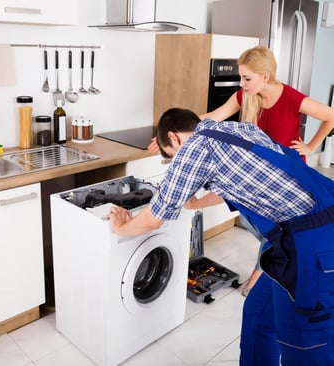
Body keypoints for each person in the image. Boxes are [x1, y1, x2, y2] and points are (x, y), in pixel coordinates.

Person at [110, 107, 334, 365]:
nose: (177, 162)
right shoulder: (234, 129)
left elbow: (154, 217)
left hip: (315, 248)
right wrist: (195, 203)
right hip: (301, 238)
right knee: (258, 316)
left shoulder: (193, 148)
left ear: (173, 138)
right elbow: (241, 181)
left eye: (172, 156)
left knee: (305, 343)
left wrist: (121, 228)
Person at [148, 45, 334, 295]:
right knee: (264, 230)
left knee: (276, 232)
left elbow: (331, 115)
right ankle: (269, 268)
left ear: (265, 77)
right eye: (240, 77)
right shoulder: (244, 96)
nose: (241, 83)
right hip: (250, 177)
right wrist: (169, 133)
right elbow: (213, 116)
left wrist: (311, 146)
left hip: (283, 178)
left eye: (247, 78)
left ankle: (263, 274)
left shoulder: (292, 98)